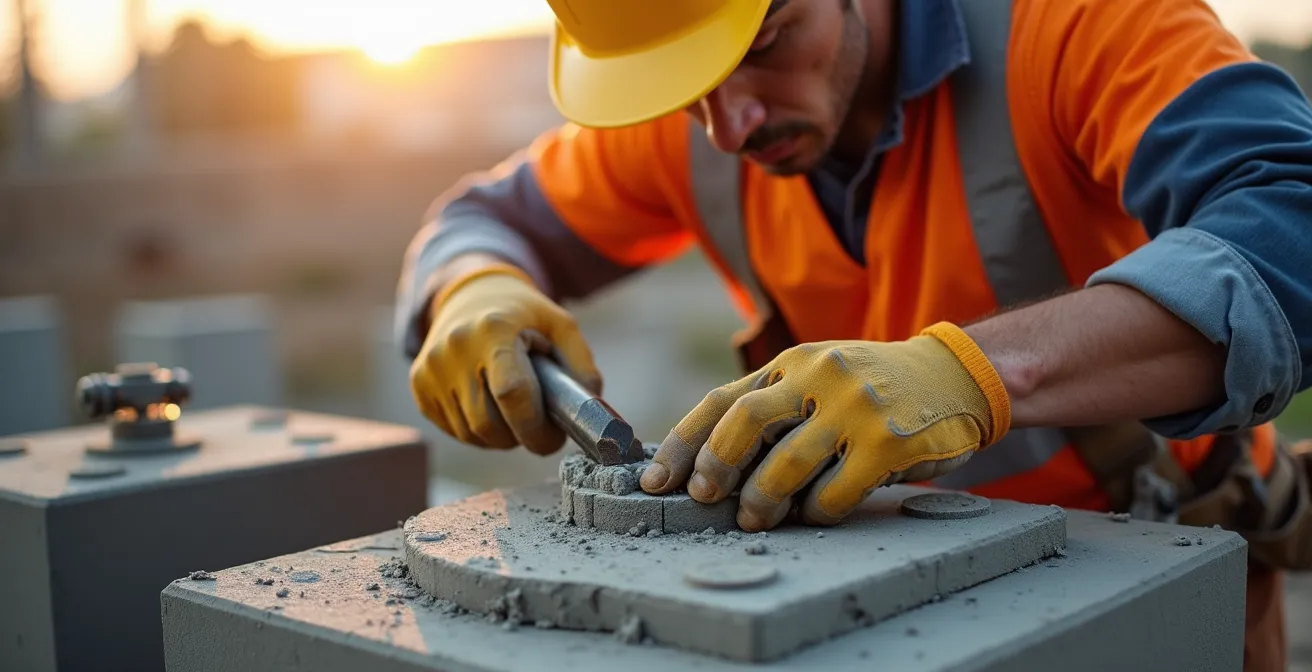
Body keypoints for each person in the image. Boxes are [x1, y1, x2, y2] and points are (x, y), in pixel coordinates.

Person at [395, 0, 1312, 668]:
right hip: (868, 627)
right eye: (688, 93)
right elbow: (482, 221)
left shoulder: (1073, 26)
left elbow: (1292, 216)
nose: (730, 128)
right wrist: (471, 289)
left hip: (1145, 597)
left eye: (765, 45)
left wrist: (977, 371)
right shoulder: (704, 107)